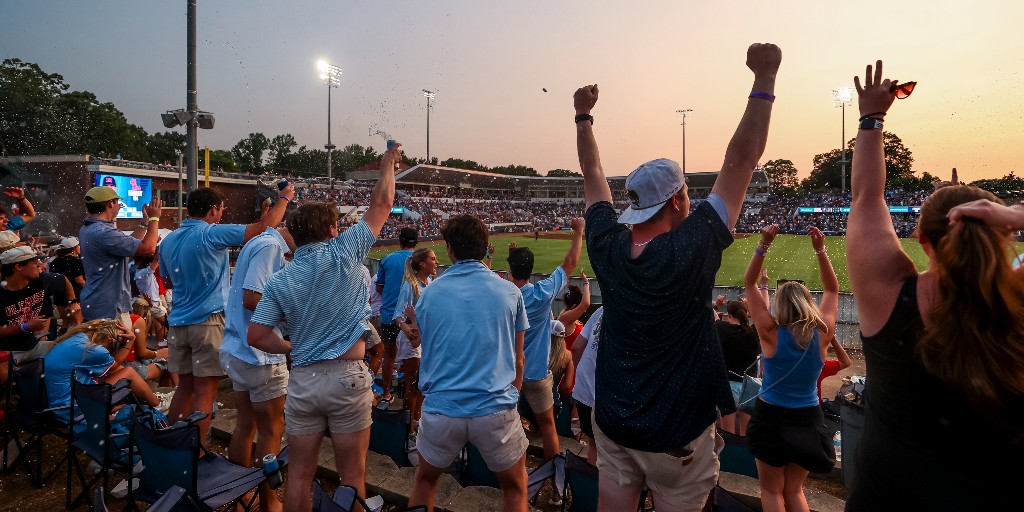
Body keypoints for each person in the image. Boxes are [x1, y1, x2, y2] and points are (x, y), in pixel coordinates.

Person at [573, 42, 782, 512]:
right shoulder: (691, 247)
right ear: (677, 202)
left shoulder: (605, 242)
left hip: (613, 420)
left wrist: (582, 116)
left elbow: (591, 172)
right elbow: (740, 162)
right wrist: (764, 79)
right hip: (676, 435)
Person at [844, 60, 1024, 511]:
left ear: (921, 238)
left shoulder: (890, 296)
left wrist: (871, 118)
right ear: (1002, 235)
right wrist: (1015, 216)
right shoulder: (1017, 302)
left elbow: (867, 197)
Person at [248, 144, 400, 512]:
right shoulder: (344, 250)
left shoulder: (282, 279)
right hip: (347, 378)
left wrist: (292, 348)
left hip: (302, 379)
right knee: (352, 476)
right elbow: (381, 206)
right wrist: (387, 165)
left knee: (300, 473)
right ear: (333, 229)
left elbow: (257, 335)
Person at [405, 215, 530, 512]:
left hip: (442, 408)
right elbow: (519, 358)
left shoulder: (430, 294)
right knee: (515, 488)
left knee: (424, 483)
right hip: (494, 406)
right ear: (487, 247)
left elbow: (425, 342)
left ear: (450, 250)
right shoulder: (510, 291)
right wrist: (511, 395)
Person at [159, 184, 293, 444]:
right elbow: (263, 231)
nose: (222, 215)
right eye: (221, 210)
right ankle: (194, 456)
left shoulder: (170, 239)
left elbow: (168, 279)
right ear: (213, 210)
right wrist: (285, 198)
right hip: (207, 323)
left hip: (178, 323)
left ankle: (172, 449)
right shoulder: (209, 233)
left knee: (183, 388)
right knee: (204, 393)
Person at [743, 225, 838, 512]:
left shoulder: (770, 333)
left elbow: (749, 285)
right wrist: (820, 250)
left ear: (780, 304)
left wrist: (763, 244)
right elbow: (832, 289)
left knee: (771, 492)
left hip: (770, 415)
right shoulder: (823, 333)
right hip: (807, 418)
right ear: (809, 303)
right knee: (795, 491)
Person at [220, 226, 295, 512]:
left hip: (240, 349)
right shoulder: (271, 246)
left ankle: (239, 498)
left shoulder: (262, 242)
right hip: (259, 355)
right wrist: (292, 313)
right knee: (271, 431)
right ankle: (269, 502)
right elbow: (252, 298)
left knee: (245, 425)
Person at [507, 217, 583, 459]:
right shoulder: (541, 294)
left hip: (508, 375)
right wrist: (579, 231)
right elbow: (570, 264)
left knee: (507, 425)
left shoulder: (502, 295)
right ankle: (556, 479)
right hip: (537, 373)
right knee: (548, 426)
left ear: (510, 271)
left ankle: (512, 470)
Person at [43, 319, 161, 429]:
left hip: (58, 403)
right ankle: (157, 405)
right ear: (109, 340)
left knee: (120, 370)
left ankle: (151, 400)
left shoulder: (79, 337)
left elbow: (113, 368)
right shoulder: (95, 350)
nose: (109, 353)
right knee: (128, 372)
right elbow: (113, 365)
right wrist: (130, 342)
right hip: (73, 408)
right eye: (111, 350)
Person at [79, 186, 161, 323]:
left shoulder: (89, 228)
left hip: (97, 301)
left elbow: (130, 245)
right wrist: (154, 218)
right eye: (117, 202)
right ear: (110, 203)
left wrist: (144, 222)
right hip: (109, 307)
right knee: (119, 344)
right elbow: (148, 249)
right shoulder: (104, 232)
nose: (119, 206)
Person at [393, 247, 438, 434]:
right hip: (411, 340)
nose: (436, 262)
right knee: (413, 385)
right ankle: (408, 429)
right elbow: (398, 315)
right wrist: (407, 329)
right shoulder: (410, 285)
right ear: (422, 264)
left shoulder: (430, 283)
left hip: (423, 339)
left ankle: (416, 419)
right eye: (433, 259)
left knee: (421, 385)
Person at [376, 227, 418, 407]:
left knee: (389, 355)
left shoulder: (388, 259)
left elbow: (379, 287)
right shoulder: (420, 260)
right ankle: (411, 400)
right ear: (416, 241)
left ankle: (386, 393)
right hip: (410, 317)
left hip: (389, 316)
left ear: (400, 240)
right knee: (413, 359)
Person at [0, 246, 54, 362]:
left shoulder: (40, 281)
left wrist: (73, 302)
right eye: (35, 263)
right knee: (4, 374)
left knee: (73, 350)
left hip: (33, 345)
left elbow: (62, 280)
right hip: (6, 352)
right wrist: (25, 327)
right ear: (18, 266)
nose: (40, 265)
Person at [717, 299, 760, 435]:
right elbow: (761, 315)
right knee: (745, 433)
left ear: (729, 315)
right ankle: (744, 456)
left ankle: (729, 456)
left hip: (728, 385)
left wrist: (717, 305)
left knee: (727, 434)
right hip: (750, 386)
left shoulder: (722, 329)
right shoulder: (754, 333)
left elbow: (709, 313)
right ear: (746, 313)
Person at [571, 306, 604, 465]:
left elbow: (577, 347)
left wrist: (582, 374)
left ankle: (590, 488)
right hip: (611, 399)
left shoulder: (601, 311)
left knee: (593, 445)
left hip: (584, 391)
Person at [125, 297, 172, 385]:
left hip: (126, 363)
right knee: (168, 360)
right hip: (134, 366)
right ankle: (174, 388)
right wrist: (155, 354)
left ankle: (170, 389)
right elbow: (142, 353)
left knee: (168, 353)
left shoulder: (127, 320)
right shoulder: (138, 321)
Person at [815, 333, 851, 402]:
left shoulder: (788, 362)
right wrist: (833, 340)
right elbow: (845, 362)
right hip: (812, 409)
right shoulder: (818, 366)